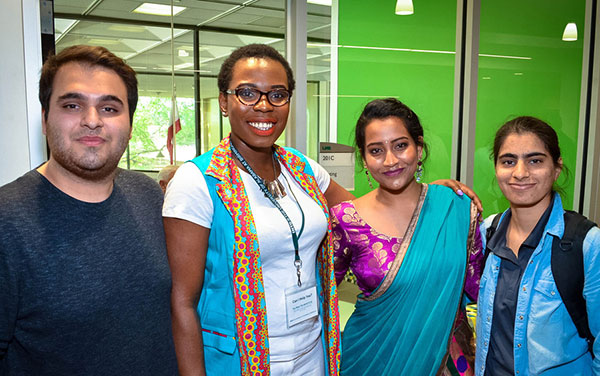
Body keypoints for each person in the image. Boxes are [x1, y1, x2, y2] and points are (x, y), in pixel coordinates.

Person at [0, 45, 178, 375]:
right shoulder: (7, 221)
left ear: (129, 121)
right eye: (72, 105)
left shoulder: (149, 196)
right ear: (44, 118)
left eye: (109, 108)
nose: (92, 121)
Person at [331, 98, 482, 376]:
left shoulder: (455, 208)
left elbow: (482, 290)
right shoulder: (345, 219)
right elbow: (322, 296)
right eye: (376, 150)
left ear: (419, 147)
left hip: (445, 359)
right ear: (364, 158)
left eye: (401, 145)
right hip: (369, 358)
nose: (390, 161)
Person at [475, 116, 600, 375]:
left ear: (556, 168)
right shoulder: (486, 233)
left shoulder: (587, 244)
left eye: (535, 161)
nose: (520, 173)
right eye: (508, 161)